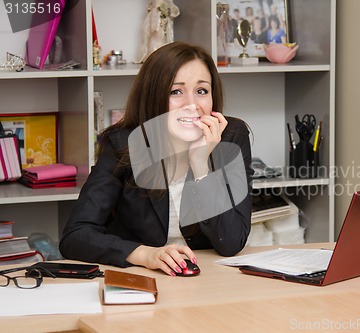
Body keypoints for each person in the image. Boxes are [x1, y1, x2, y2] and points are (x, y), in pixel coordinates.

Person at [59, 41, 253, 277]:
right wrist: (144, 255)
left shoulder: (231, 138)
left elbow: (231, 242)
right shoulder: (123, 142)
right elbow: (75, 236)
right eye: (175, 91)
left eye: (202, 91)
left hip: (209, 280)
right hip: (142, 278)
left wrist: (201, 165)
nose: (192, 105)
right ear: (153, 97)